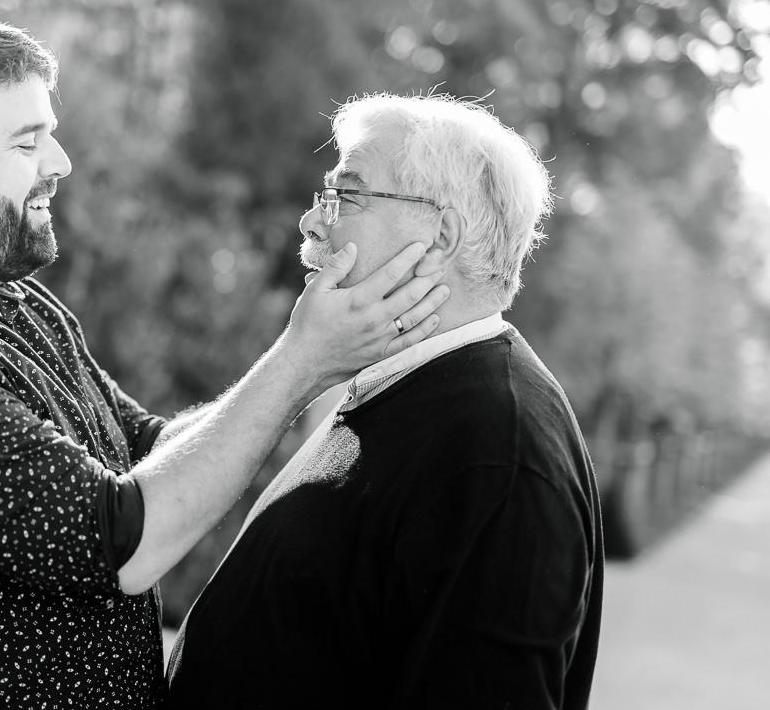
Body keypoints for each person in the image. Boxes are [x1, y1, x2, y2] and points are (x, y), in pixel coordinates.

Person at [0, 20, 449, 708]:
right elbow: (122, 541)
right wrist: (301, 361)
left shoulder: (17, 304)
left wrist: (309, 365)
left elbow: (151, 454)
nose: (60, 164)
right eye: (26, 143)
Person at [165, 93, 604, 709]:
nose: (312, 223)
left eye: (346, 196)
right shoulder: (410, 387)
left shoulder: (499, 452)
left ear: (440, 235)